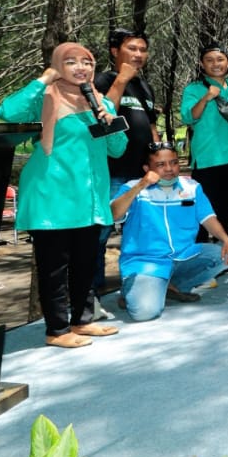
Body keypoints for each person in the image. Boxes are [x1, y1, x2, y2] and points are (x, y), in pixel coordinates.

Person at [0, 42, 127, 347]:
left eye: (87, 62)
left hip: (90, 199)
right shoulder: (45, 96)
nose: (81, 67)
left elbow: (118, 150)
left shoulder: (100, 102)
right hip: (52, 196)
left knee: (85, 263)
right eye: (71, 62)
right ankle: (56, 330)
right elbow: (8, 112)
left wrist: (109, 123)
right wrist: (44, 79)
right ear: (58, 66)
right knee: (54, 268)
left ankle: (81, 321)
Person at [109, 142, 228, 320]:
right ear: (147, 169)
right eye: (161, 164)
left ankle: (169, 285)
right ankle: (134, 288)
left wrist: (226, 240)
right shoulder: (132, 187)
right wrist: (141, 185)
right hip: (146, 262)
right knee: (144, 313)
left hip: (183, 256)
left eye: (174, 162)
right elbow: (114, 214)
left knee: (225, 256)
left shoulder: (192, 187)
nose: (169, 169)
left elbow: (208, 218)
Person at [93, 28, 159, 317]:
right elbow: (103, 114)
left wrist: (159, 158)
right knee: (99, 235)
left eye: (142, 49)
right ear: (114, 51)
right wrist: (121, 80)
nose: (138, 54)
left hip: (142, 175)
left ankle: (135, 290)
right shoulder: (103, 80)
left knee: (142, 234)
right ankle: (90, 297)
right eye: (132, 48)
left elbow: (151, 125)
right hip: (112, 172)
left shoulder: (145, 87)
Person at [181, 42, 228, 239]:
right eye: (209, 60)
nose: (215, 64)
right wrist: (207, 97)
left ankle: (223, 252)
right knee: (204, 213)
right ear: (201, 64)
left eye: (220, 59)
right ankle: (201, 254)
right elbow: (189, 117)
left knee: (226, 213)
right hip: (207, 160)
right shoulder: (194, 89)